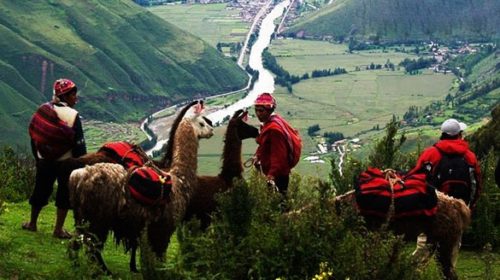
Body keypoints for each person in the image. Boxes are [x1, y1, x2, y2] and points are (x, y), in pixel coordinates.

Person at [410, 118, 480, 266]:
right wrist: (468, 208)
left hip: (431, 212)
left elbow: (416, 180)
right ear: (459, 135)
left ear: (442, 134)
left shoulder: (430, 154)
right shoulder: (470, 157)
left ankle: (415, 273)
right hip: (457, 212)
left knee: (422, 252)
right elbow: (476, 186)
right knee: (449, 257)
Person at [22, 78, 87, 239]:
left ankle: (32, 222)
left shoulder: (43, 110)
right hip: (66, 162)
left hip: (44, 160)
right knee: (64, 195)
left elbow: (34, 135)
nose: (76, 98)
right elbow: (79, 145)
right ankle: (58, 229)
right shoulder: (73, 116)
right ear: (65, 96)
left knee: (40, 190)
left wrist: (38, 157)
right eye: (73, 95)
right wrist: (81, 163)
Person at [253, 92, 295, 197]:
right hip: (276, 172)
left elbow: (279, 156)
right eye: (256, 110)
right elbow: (264, 145)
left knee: (279, 204)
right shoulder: (270, 123)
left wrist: (271, 175)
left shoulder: (274, 130)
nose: (258, 113)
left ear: (269, 111)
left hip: (278, 175)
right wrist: (257, 155)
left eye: (261, 111)